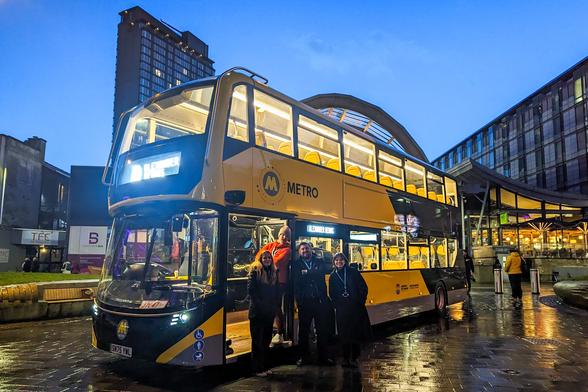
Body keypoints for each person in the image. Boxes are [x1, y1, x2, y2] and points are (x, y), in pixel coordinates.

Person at [292, 242, 333, 366]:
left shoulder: (319, 261)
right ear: (299, 252)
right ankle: (303, 357)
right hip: (305, 302)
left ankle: (324, 357)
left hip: (319, 301)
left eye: (307, 248)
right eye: (302, 249)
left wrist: (306, 273)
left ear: (311, 250)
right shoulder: (296, 264)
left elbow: (321, 273)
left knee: (322, 330)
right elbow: (297, 280)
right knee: (303, 331)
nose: (305, 251)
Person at [329, 253, 371, 368]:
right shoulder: (333, 276)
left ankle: (355, 357)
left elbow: (363, 287)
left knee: (355, 333)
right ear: (334, 262)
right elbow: (332, 293)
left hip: (355, 307)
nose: (339, 262)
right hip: (342, 309)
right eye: (336, 260)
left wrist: (359, 301)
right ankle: (346, 358)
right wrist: (337, 304)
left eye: (341, 260)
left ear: (345, 261)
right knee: (344, 334)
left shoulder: (353, 272)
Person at [256, 226, 292, 345]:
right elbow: (258, 256)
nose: (284, 237)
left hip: (279, 282)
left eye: (286, 235)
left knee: (276, 307)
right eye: (282, 234)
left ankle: (280, 332)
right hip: (266, 281)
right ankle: (268, 330)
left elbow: (276, 261)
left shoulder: (288, 250)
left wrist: (264, 261)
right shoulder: (270, 245)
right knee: (267, 305)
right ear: (278, 234)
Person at [247, 250, 279, 377]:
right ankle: (256, 368)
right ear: (260, 259)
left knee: (266, 341)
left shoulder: (273, 272)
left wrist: (274, 306)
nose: (267, 260)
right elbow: (252, 292)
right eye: (264, 258)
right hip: (257, 313)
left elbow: (276, 292)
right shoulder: (255, 271)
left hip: (269, 313)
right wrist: (262, 306)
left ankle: (264, 366)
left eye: (269, 258)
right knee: (257, 341)